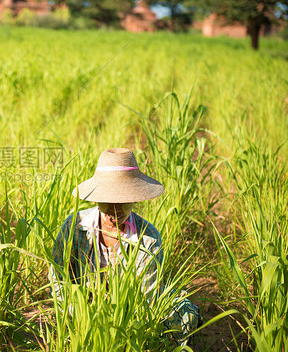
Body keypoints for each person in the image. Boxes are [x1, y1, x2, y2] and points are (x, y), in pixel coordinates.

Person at [50, 148, 199, 345]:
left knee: (184, 319)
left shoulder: (148, 239)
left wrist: (121, 328)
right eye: (108, 201)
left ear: (135, 198)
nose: (115, 209)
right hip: (84, 305)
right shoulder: (75, 226)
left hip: (131, 309)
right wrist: (79, 313)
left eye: (124, 201)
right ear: (95, 199)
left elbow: (147, 299)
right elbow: (57, 278)